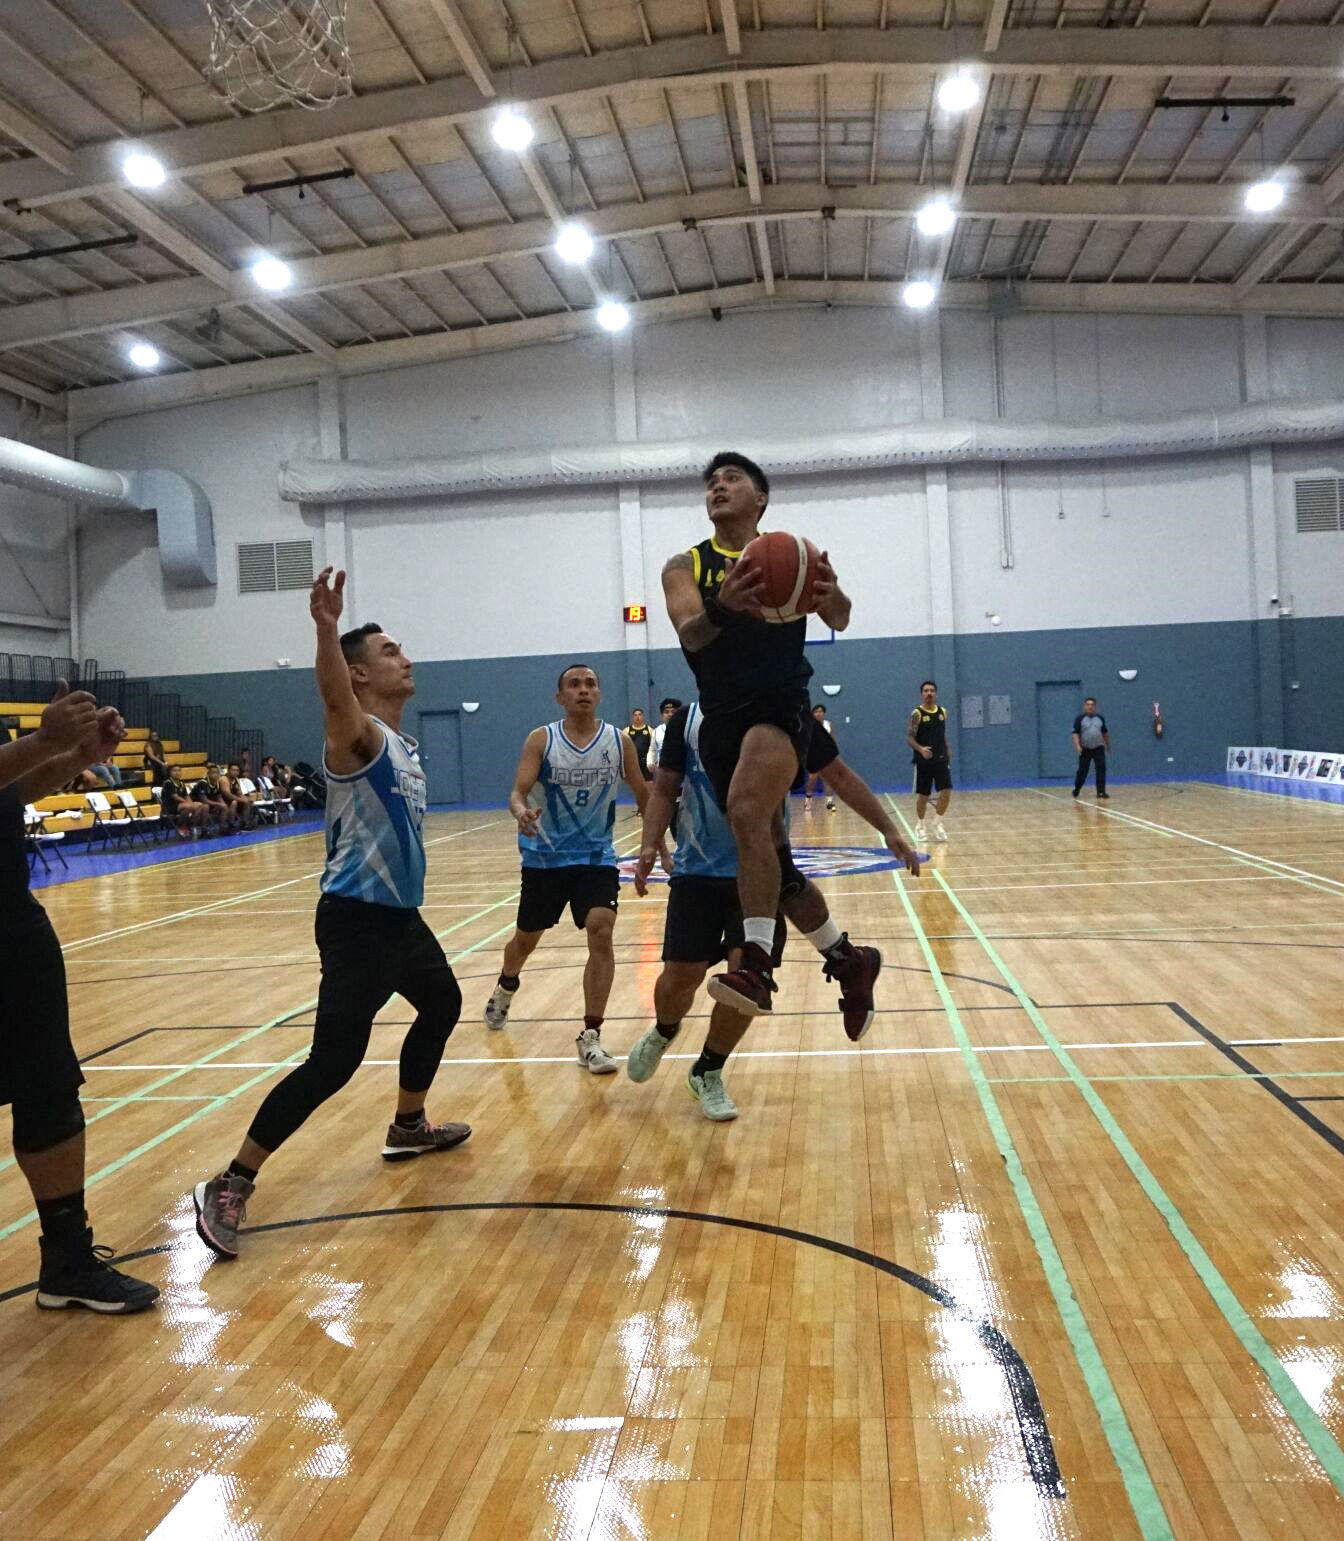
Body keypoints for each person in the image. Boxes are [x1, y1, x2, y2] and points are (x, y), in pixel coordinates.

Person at [192, 569, 470, 1262]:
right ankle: (230, 1180)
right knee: (332, 1062)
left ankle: (408, 1124)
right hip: (356, 920)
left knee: (442, 1001)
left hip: (399, 919)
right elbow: (330, 694)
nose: (405, 657)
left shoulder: (403, 746)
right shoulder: (360, 736)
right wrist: (323, 628)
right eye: (390, 651)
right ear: (358, 675)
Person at [627, 702, 919, 1118]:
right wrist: (650, 842)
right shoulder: (686, 723)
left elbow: (839, 774)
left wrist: (887, 827)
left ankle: (708, 1068)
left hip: (761, 875)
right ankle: (665, 1029)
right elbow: (665, 787)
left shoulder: (783, 711)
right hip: (698, 871)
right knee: (680, 979)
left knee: (745, 981)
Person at [661, 452, 852, 1019]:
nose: (718, 487)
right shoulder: (685, 565)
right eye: (712, 482)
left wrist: (830, 590)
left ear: (761, 498)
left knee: (745, 816)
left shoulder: (793, 555)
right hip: (722, 720)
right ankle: (847, 957)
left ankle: (755, 967)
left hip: (779, 705)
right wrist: (725, 606)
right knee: (778, 864)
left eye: (733, 479)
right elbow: (692, 636)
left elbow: (840, 618)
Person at [0, 681, 159, 1313]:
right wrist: (44, 740)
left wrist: (75, 757)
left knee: (49, 1093)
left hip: (13, 926)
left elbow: (10, 795)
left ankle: (66, 1260)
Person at [483, 664, 654, 1073]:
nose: (583, 690)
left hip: (596, 857)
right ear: (560, 697)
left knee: (601, 929)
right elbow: (517, 791)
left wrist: (655, 844)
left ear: (600, 694)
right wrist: (521, 811)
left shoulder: (619, 741)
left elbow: (644, 793)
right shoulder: (542, 739)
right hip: (544, 858)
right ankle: (507, 983)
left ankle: (591, 1035)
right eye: (574, 685)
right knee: (525, 941)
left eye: (591, 684)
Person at [907, 680, 952, 844]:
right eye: (926, 691)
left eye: (932, 690)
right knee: (923, 796)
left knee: (946, 791)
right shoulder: (917, 714)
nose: (929, 693)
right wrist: (921, 749)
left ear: (936, 693)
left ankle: (937, 823)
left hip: (941, 759)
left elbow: (942, 734)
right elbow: (909, 738)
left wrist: (948, 749)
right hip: (923, 761)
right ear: (921, 694)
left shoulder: (943, 712)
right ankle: (920, 825)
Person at [160, 764, 216, 837]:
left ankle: (199, 827)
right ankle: (180, 826)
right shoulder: (168, 783)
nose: (177, 772)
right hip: (169, 806)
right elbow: (175, 797)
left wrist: (191, 803)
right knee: (189, 806)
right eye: (174, 771)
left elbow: (186, 796)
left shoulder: (181, 783)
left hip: (181, 805)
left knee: (204, 806)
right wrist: (190, 804)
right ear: (170, 772)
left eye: (179, 771)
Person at [1072, 697, 1111, 800]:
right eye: (1088, 704)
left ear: (1095, 706)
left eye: (1092, 705)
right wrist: (1077, 746)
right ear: (1085, 706)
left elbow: (1105, 732)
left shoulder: (1100, 718)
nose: (1090, 706)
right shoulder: (1080, 719)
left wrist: (1107, 745)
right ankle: (1077, 788)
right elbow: (1075, 733)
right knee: (1082, 771)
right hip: (1085, 749)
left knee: (1101, 768)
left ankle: (1101, 792)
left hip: (1098, 748)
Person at [803, 703, 836, 811]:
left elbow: (832, 740)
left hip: (826, 756)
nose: (818, 714)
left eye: (820, 711)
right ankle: (808, 802)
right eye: (816, 712)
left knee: (829, 780)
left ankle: (829, 803)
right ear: (813, 714)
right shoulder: (810, 725)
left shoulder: (828, 724)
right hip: (814, 756)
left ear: (824, 713)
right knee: (812, 780)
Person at [647, 697, 683, 771]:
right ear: (662, 715)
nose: (670, 714)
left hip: (682, 772)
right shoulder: (657, 731)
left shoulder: (684, 729)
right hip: (662, 772)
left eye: (673, 712)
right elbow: (652, 750)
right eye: (666, 712)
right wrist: (650, 762)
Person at [625, 708, 653, 781]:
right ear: (633, 718)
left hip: (646, 762)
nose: (638, 717)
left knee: (649, 783)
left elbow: (654, 747)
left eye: (639, 715)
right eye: (635, 715)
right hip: (634, 763)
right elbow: (623, 747)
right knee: (636, 783)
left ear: (643, 717)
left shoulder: (649, 730)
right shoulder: (627, 730)